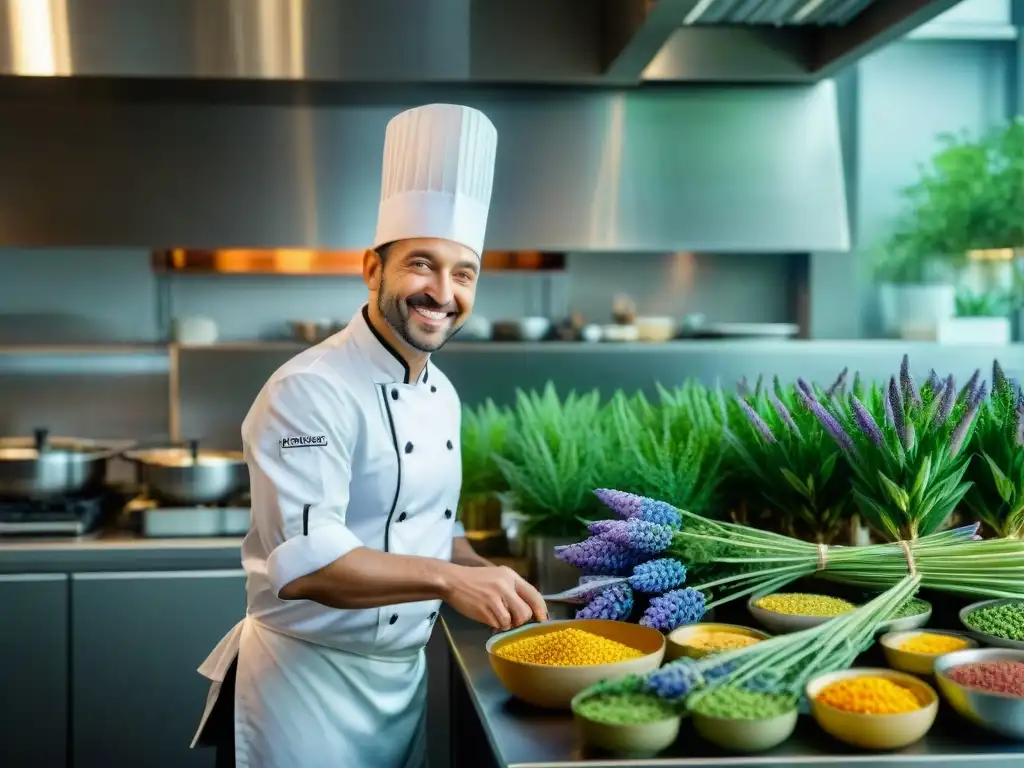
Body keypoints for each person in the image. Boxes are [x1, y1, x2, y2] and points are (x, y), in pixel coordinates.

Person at [190, 103, 548, 768]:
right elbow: (308, 565)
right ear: (371, 268)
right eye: (421, 264)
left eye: (463, 272)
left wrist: (486, 571)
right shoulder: (310, 388)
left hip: (399, 684)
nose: (442, 292)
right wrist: (449, 582)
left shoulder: (441, 392)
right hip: (303, 691)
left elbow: (421, 525)